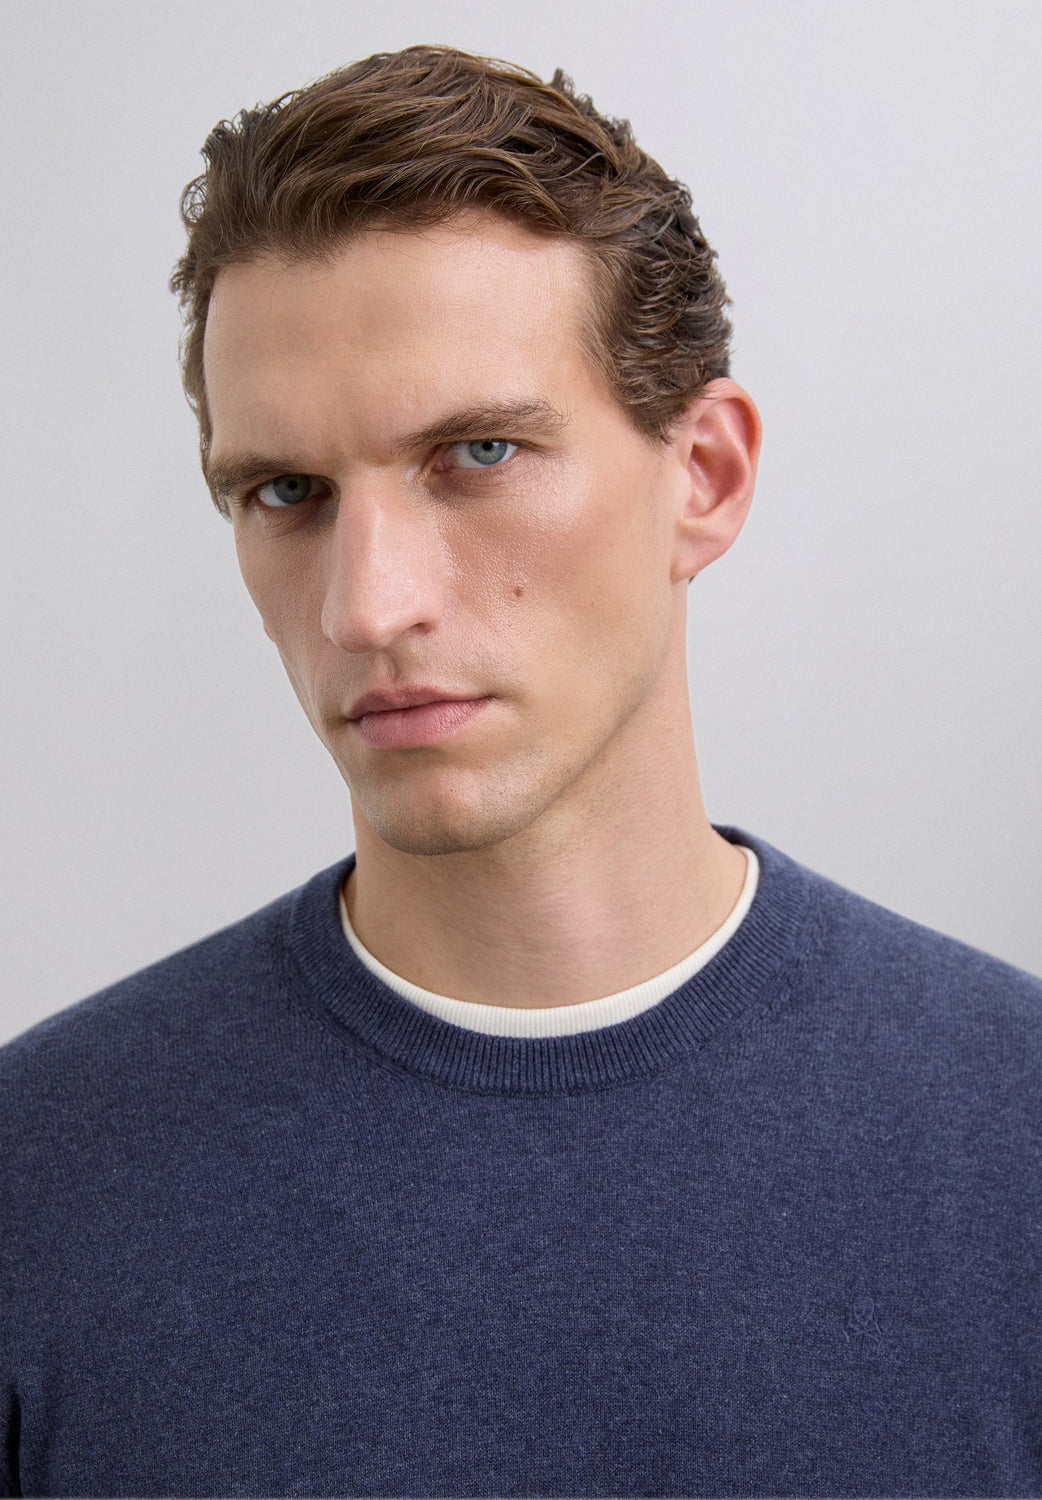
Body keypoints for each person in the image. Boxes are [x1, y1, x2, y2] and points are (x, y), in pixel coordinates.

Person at [1, 44, 1039, 1499]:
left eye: (477, 453)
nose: (368, 606)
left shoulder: (1012, 1139)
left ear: (705, 475)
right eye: (287, 492)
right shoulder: (36, 1182)